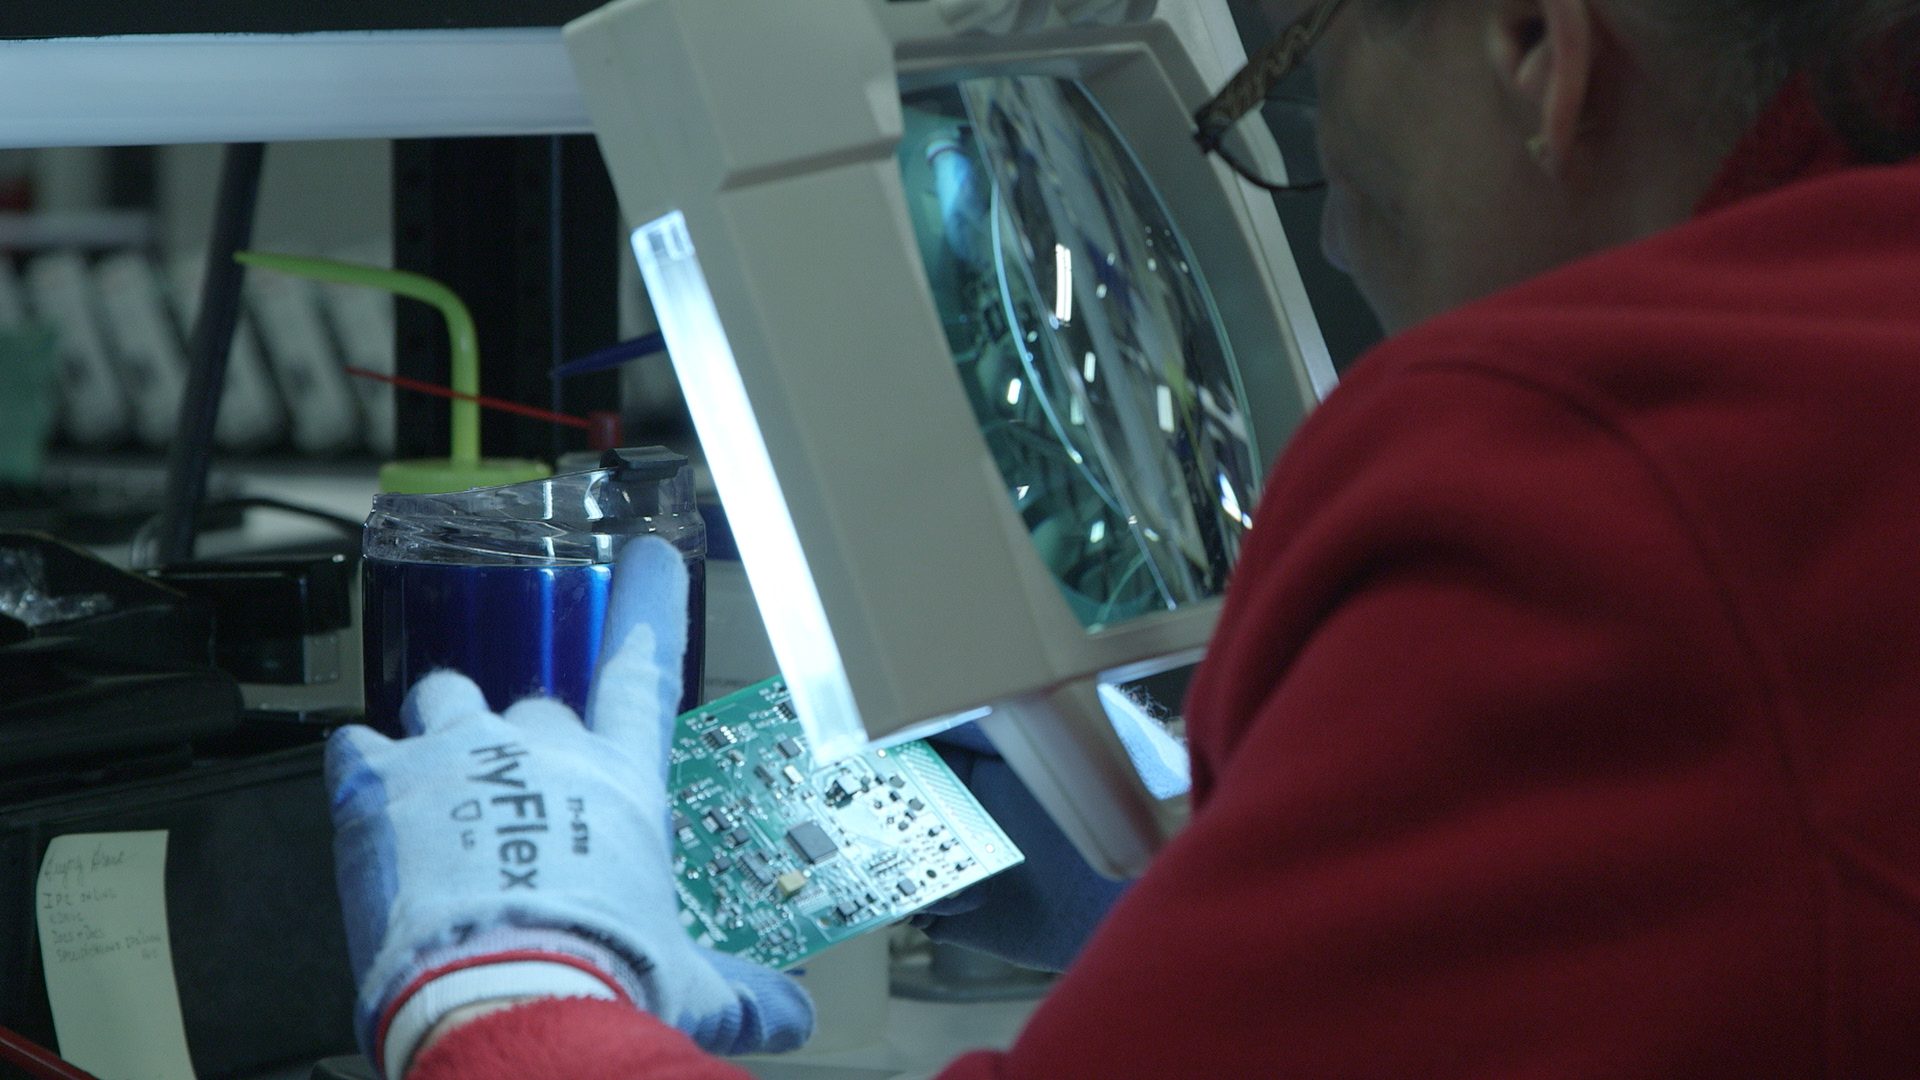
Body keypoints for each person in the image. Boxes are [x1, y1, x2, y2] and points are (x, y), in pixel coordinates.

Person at [325, 0, 1920, 1074]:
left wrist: (507, 985)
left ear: (1531, 45)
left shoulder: (1614, 479)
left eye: (1298, 58)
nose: (1330, 205)